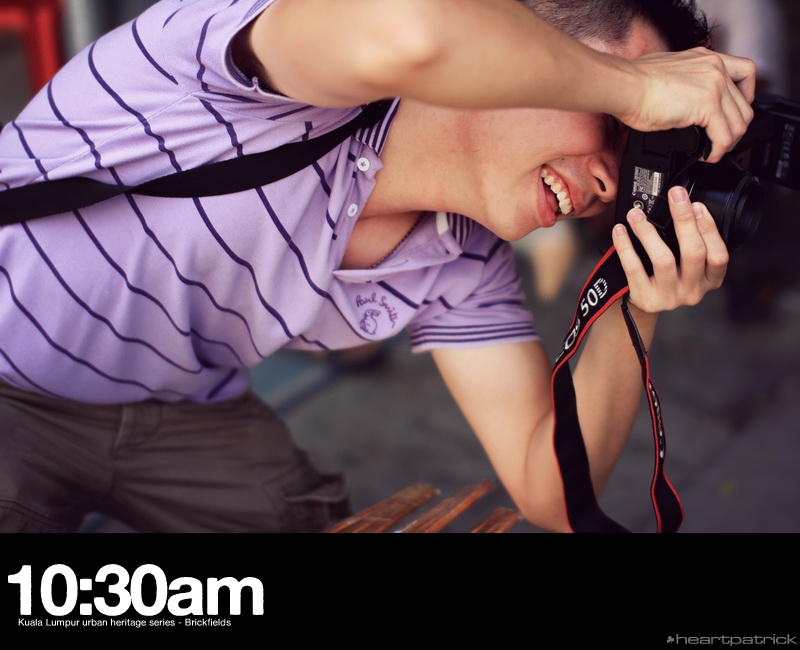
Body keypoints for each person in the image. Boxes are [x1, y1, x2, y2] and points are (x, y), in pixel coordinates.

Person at [0, 0, 755, 532]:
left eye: (634, 164)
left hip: (181, 405)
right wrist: (641, 86)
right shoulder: (252, 63)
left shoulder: (460, 256)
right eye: (617, 125)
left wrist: (639, 301)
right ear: (527, 45)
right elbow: (414, 28)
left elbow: (554, 495)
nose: (606, 184)